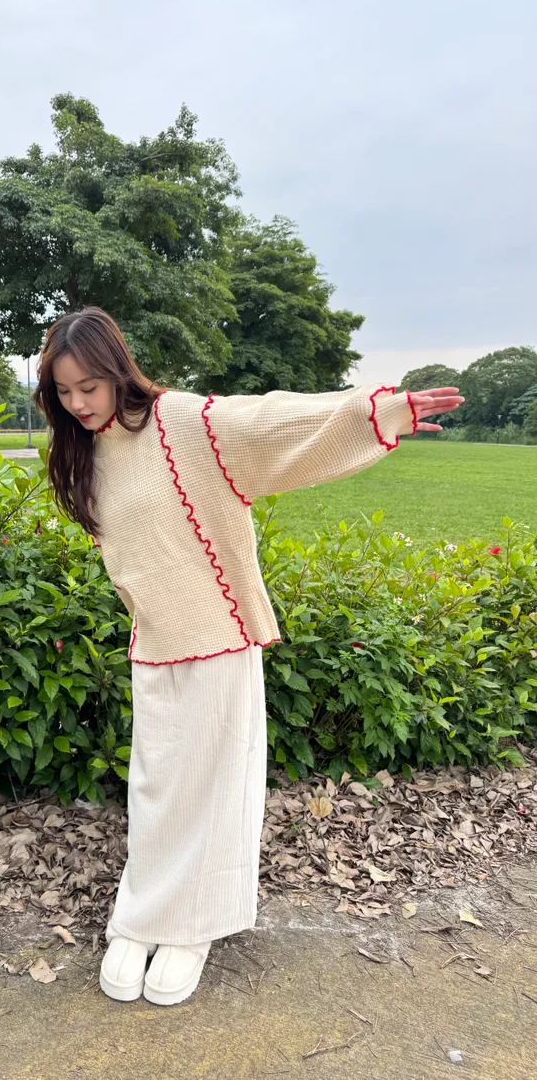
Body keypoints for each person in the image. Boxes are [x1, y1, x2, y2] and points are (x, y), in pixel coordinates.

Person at [34, 306, 464, 1007]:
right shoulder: (84, 457)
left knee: (214, 790)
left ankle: (193, 928)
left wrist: (378, 412)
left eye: (89, 386)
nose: (79, 403)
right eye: (64, 391)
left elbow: (269, 422)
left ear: (117, 372)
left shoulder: (179, 422)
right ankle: (143, 917)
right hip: (154, 646)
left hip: (220, 640)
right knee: (157, 793)